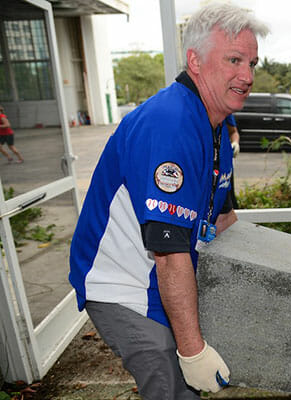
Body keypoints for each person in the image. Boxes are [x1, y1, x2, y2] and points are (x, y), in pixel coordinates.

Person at [68, 4, 268, 399]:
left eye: (252, 63)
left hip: (164, 276)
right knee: (171, 379)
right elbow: (168, 253)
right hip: (124, 285)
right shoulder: (170, 124)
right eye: (233, 60)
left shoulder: (218, 125)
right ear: (195, 60)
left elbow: (224, 218)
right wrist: (192, 351)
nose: (247, 76)